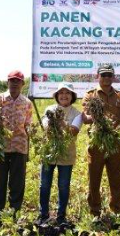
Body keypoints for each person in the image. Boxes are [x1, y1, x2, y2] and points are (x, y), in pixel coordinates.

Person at [82, 64, 120, 217]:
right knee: (94, 177)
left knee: (116, 177)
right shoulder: (90, 95)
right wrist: (97, 119)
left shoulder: (119, 96)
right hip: (96, 142)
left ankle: (116, 209)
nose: (106, 78)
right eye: (103, 75)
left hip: (115, 142)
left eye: (109, 75)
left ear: (113, 77)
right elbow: (86, 118)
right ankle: (95, 211)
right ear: (98, 76)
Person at [0, 70, 33, 231]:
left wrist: (28, 150)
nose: (14, 83)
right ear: (7, 82)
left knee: (17, 183)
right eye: (12, 80)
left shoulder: (27, 103)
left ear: (22, 84)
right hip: (1, 148)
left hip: (20, 147)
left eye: (18, 81)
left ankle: (14, 216)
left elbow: (28, 125)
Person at [38, 83, 82, 226]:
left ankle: (61, 216)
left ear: (72, 96)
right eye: (61, 92)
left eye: (67, 93)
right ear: (57, 95)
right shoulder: (49, 109)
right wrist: (52, 122)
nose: (64, 95)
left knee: (63, 185)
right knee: (44, 185)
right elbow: (46, 126)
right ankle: (43, 214)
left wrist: (60, 121)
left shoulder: (77, 114)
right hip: (49, 152)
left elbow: (74, 131)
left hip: (67, 154)